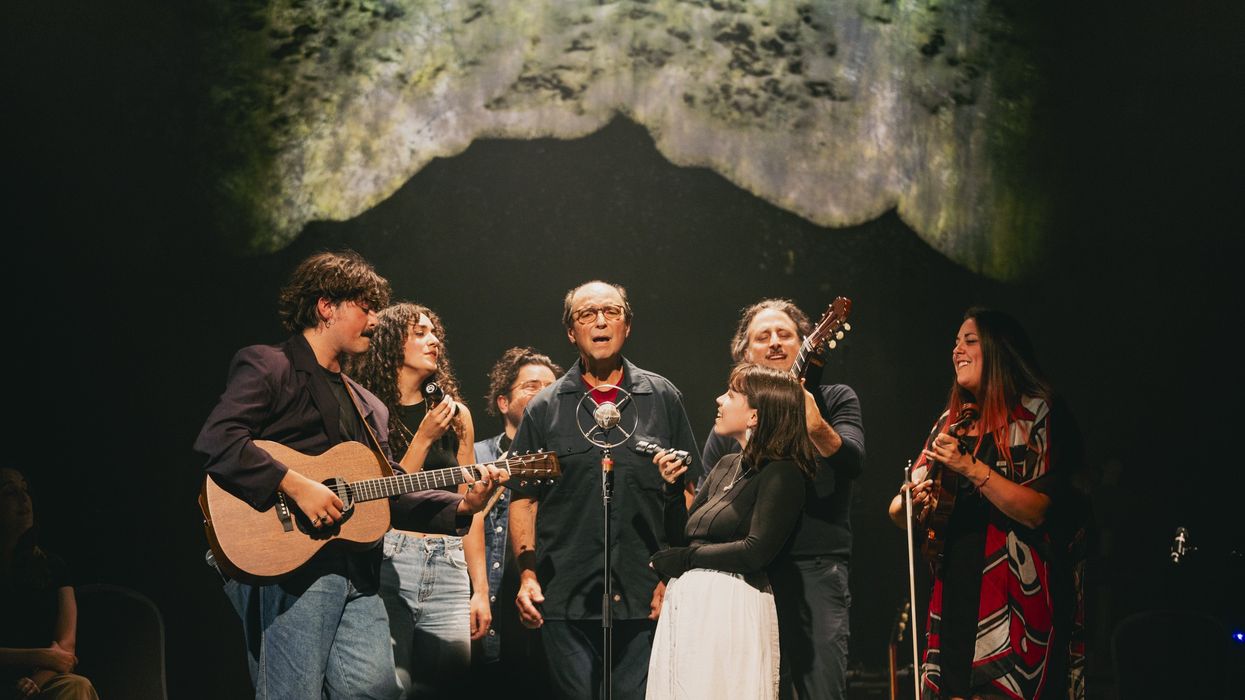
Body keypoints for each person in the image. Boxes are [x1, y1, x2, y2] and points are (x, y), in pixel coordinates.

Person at [193, 251, 505, 700]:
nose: (376, 320)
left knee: (376, 691)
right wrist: (296, 485)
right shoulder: (270, 365)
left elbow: (389, 490)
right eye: (366, 306)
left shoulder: (367, 404)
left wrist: (463, 506)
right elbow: (218, 439)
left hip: (357, 569)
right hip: (292, 561)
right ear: (326, 307)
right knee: (291, 693)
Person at [509, 280, 698, 700]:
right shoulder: (545, 406)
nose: (600, 322)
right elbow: (524, 498)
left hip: (646, 593)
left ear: (627, 326)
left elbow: (689, 491)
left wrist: (675, 578)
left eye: (611, 312)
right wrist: (527, 575)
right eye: (586, 314)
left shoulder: (662, 396)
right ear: (570, 332)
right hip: (565, 595)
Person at [887, 307, 1085, 700]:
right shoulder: (950, 423)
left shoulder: (1036, 414)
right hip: (954, 595)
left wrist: (970, 467)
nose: (957, 349)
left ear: (998, 349)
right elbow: (897, 509)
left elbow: (1037, 509)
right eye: (955, 342)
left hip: (1014, 602)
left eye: (970, 340)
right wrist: (911, 501)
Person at [700, 299, 865, 699]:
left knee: (820, 689)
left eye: (785, 334)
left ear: (807, 342)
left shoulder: (835, 398)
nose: (775, 343)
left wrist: (815, 426)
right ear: (744, 354)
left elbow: (853, 462)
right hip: (747, 572)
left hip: (814, 566)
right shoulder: (731, 420)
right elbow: (709, 501)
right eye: (763, 336)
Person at [647, 364, 815, 699]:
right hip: (694, 606)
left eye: (732, 394)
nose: (720, 399)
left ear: (754, 416)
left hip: (733, 609)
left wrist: (688, 559)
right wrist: (672, 489)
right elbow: (683, 536)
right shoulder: (726, 466)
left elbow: (755, 551)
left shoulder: (783, 474)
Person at [349, 303, 487, 698]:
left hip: (448, 563)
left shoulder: (456, 414)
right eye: (420, 332)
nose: (434, 340)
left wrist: (478, 589)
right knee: (391, 689)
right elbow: (383, 494)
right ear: (393, 344)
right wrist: (424, 437)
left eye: (435, 332)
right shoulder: (367, 411)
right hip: (390, 561)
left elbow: (468, 508)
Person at [471, 347, 562, 690]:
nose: (544, 394)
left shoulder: (566, 457)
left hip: (540, 597)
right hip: (490, 598)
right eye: (531, 385)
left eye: (551, 387)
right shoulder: (477, 455)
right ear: (503, 403)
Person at [0, 468, 98, 700]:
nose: (24, 499)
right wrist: (42, 656)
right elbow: (53, 655)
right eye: (9, 492)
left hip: (39, 679)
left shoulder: (52, 566)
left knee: (76, 686)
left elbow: (65, 650)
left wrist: (35, 680)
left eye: (25, 490)